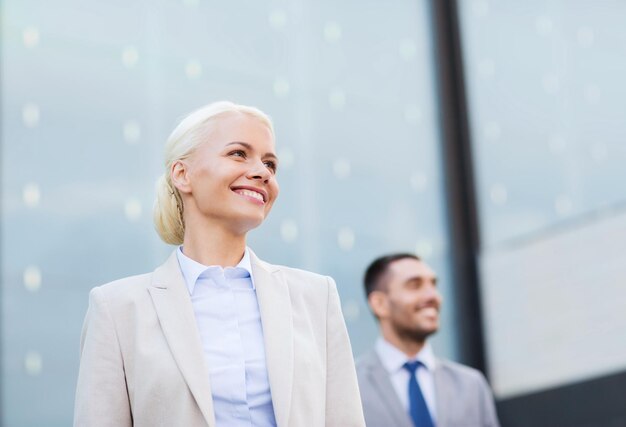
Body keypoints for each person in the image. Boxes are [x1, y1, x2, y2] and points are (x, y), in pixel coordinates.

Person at [74, 101, 365, 427]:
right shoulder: (117, 309)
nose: (262, 173)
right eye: (239, 154)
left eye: (270, 164)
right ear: (182, 174)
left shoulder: (316, 297)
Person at [356, 253, 500, 427]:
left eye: (433, 285)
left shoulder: (471, 385)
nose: (433, 296)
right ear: (380, 304)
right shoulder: (351, 386)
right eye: (415, 285)